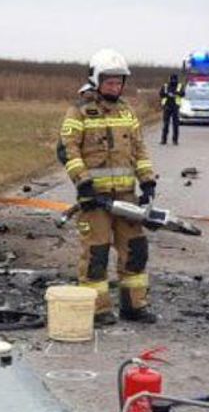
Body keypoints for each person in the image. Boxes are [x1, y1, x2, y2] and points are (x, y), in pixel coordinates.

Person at [60, 48, 157, 325]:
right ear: (95, 80)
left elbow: (139, 149)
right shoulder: (78, 112)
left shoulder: (127, 112)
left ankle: (134, 306)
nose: (115, 87)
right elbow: (68, 150)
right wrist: (83, 183)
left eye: (119, 82)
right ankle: (98, 309)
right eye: (110, 82)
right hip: (95, 201)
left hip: (126, 198)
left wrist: (147, 181)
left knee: (135, 251)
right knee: (96, 255)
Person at [158, 73, 183, 145]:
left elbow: (183, 94)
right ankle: (164, 140)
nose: (173, 81)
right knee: (165, 124)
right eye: (172, 79)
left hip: (175, 107)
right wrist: (167, 94)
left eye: (174, 79)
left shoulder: (180, 86)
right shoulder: (165, 86)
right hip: (167, 106)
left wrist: (176, 94)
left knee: (175, 125)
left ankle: (175, 140)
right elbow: (161, 94)